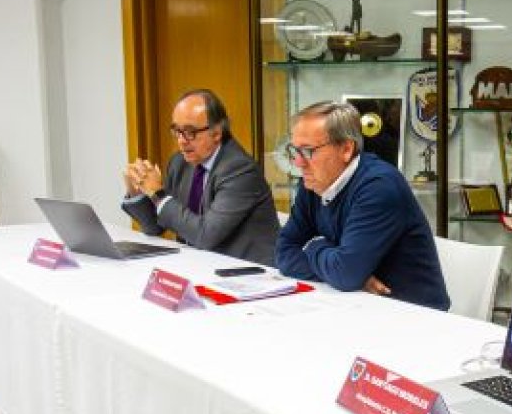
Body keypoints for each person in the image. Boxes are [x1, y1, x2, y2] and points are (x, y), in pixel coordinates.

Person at [275, 101, 450, 311]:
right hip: (356, 305)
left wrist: (315, 246)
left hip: (413, 314)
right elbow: (283, 253)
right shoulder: (313, 183)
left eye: (307, 151)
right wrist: (347, 272)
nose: (298, 162)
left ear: (346, 149)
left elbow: (346, 274)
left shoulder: (379, 186)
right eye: (294, 151)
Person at [122, 89, 279, 266]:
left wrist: (158, 194)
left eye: (190, 132)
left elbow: (205, 235)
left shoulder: (239, 170)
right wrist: (137, 192)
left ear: (217, 132)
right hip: (199, 265)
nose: (181, 141)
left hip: (246, 271)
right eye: (177, 131)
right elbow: (155, 226)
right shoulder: (179, 162)